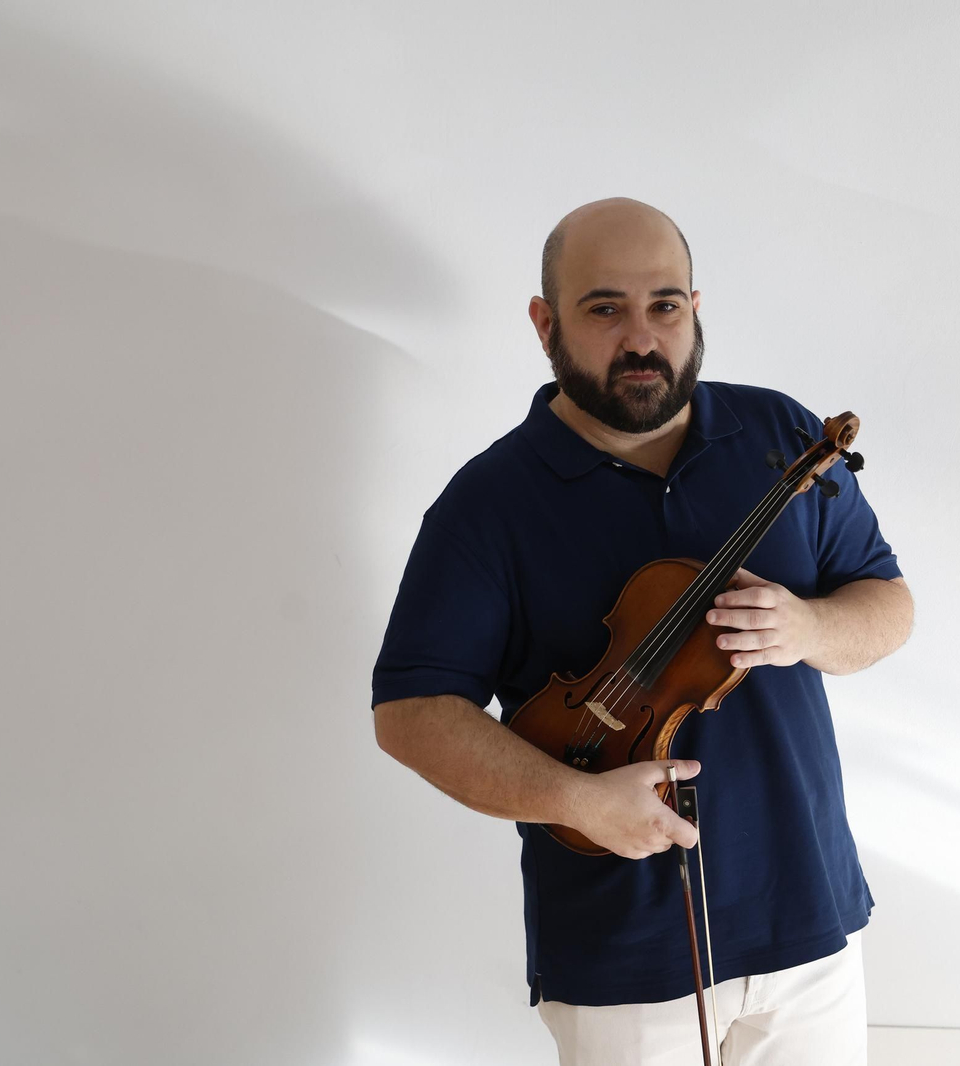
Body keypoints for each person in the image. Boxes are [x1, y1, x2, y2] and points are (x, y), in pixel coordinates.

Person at [371, 197, 913, 1065]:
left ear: (695, 310)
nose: (641, 336)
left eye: (664, 304)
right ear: (545, 324)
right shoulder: (490, 503)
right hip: (622, 953)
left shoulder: (781, 437)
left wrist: (807, 625)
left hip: (810, 920)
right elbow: (412, 711)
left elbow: (887, 604)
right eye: (604, 307)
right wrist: (577, 800)